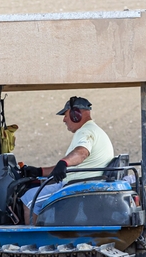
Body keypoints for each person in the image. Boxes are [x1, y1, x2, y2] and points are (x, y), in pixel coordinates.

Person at [19, 96, 114, 224]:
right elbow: (67, 166)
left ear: (76, 115)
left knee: (29, 199)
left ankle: (33, 235)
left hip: (78, 185)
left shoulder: (86, 132)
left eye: (66, 115)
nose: (64, 119)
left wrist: (63, 162)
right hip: (84, 181)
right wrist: (39, 171)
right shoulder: (94, 130)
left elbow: (81, 153)